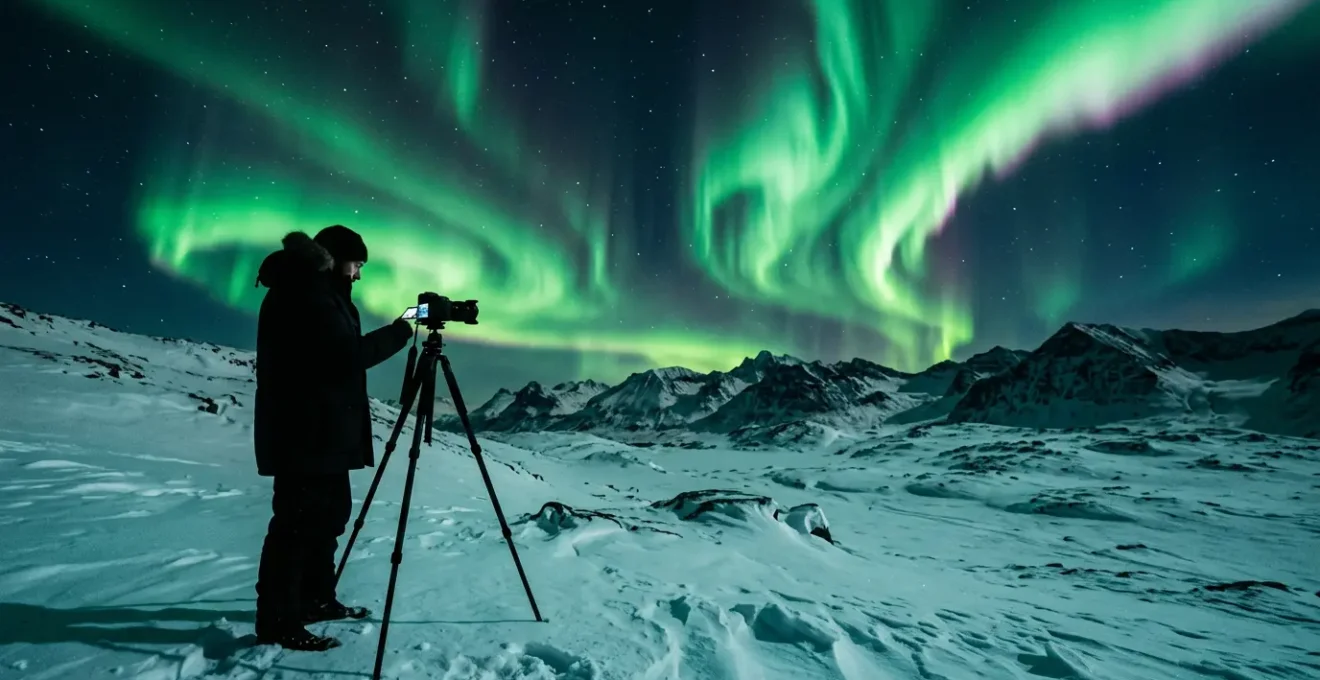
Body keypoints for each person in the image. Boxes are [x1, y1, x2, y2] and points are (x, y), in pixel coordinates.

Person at [251, 225, 413, 651]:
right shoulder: (306, 292)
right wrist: (401, 330)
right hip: (305, 434)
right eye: (357, 264)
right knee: (296, 528)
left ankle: (314, 600)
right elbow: (345, 357)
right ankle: (278, 621)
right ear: (337, 259)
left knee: (327, 519)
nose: (359, 273)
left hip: (324, 434)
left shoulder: (325, 294)